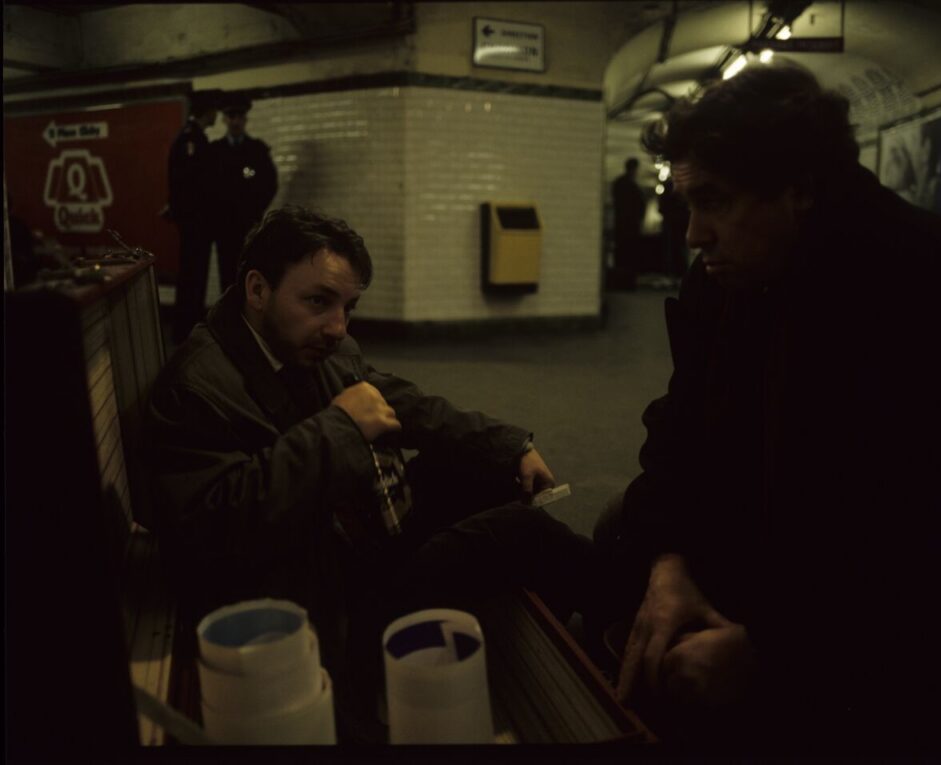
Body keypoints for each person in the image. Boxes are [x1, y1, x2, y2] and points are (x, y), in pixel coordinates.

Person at [597, 64, 941, 759]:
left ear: (801, 190)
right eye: (685, 204)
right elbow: (679, 424)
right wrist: (669, 560)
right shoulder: (726, 280)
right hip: (759, 575)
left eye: (716, 202)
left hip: (877, 653)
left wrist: (771, 654)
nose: (693, 236)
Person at [144, 205, 601, 741]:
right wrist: (342, 427)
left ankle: (573, 625)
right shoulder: (196, 389)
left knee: (485, 475)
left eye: (348, 306)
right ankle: (624, 623)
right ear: (257, 289)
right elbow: (217, 531)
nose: (338, 327)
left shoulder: (310, 345)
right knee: (519, 532)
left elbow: (403, 404)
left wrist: (508, 445)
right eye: (318, 301)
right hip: (332, 602)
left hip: (361, 536)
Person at [167, 89, 221, 344]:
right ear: (207, 111)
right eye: (215, 110)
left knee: (193, 275)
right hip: (196, 222)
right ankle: (186, 331)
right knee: (192, 277)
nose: (217, 115)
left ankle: (187, 328)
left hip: (195, 222)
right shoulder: (192, 140)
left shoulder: (192, 137)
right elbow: (191, 184)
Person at [210, 94, 278, 293]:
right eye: (231, 116)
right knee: (227, 271)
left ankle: (247, 316)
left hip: (249, 222)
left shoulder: (257, 150)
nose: (235, 121)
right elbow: (208, 187)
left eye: (239, 116)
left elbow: (269, 184)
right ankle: (228, 316)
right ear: (224, 119)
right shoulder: (215, 151)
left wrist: (255, 209)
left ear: (245, 119)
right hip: (224, 224)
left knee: (249, 269)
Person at [611, 157, 647, 288]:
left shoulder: (618, 183)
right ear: (634, 169)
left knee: (621, 255)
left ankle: (619, 282)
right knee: (631, 256)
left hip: (620, 225)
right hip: (631, 227)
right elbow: (641, 205)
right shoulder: (633, 186)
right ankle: (628, 283)